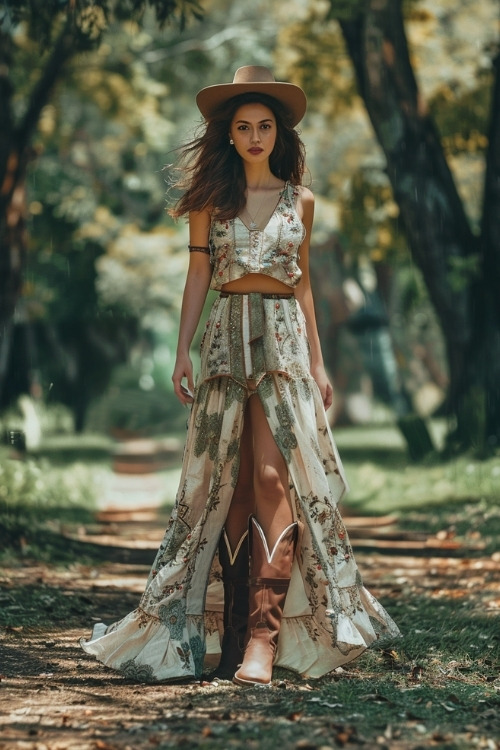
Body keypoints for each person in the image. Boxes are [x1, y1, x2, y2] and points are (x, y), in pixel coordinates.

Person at [81, 66, 400, 686]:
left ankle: (262, 640)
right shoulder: (209, 203)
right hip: (226, 340)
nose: (254, 135)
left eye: (265, 126)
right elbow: (197, 277)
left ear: (279, 134)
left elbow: (301, 282)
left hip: (282, 341)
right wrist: (183, 352)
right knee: (225, 483)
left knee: (273, 474)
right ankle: (227, 639)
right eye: (243, 126)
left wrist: (318, 359)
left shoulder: (299, 201)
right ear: (228, 136)